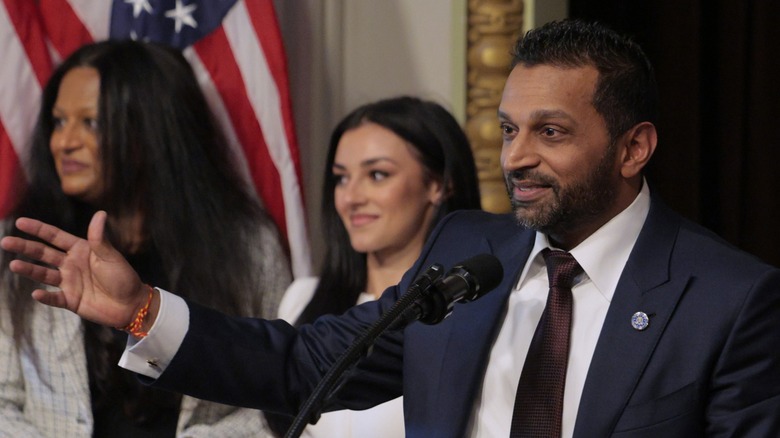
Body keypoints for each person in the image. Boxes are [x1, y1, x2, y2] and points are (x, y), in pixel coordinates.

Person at [3, 19, 780, 437]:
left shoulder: (729, 299)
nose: (517, 157)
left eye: (551, 133)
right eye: (509, 130)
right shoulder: (471, 254)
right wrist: (142, 308)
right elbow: (303, 364)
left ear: (634, 148)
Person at [0, 40, 291, 437]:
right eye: (58, 121)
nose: (63, 141)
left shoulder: (246, 248)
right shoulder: (23, 245)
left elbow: (276, 393)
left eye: (91, 123)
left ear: (151, 131)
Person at [269, 96, 481, 436]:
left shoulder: (472, 312)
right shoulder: (302, 298)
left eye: (377, 175)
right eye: (341, 178)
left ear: (439, 184)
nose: (350, 197)